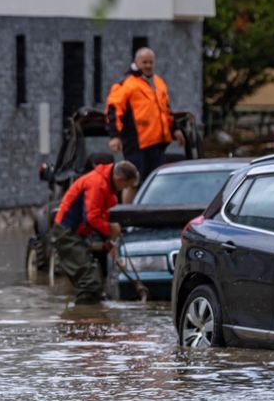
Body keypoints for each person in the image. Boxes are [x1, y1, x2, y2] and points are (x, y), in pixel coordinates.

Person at [49, 160, 140, 304]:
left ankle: (91, 316)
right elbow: (91, 219)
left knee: (96, 279)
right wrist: (110, 229)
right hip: (66, 233)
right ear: (119, 179)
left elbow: (97, 218)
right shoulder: (97, 184)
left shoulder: (106, 186)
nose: (125, 190)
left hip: (77, 234)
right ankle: (83, 319)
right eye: (126, 186)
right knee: (90, 282)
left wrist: (107, 241)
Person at [106, 47, 185, 186]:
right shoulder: (127, 84)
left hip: (157, 143)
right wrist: (114, 136)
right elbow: (113, 110)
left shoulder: (158, 82)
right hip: (137, 142)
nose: (148, 66)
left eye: (151, 62)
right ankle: (130, 207)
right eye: (144, 62)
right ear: (136, 63)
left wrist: (175, 129)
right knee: (133, 181)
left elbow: (165, 109)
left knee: (156, 181)